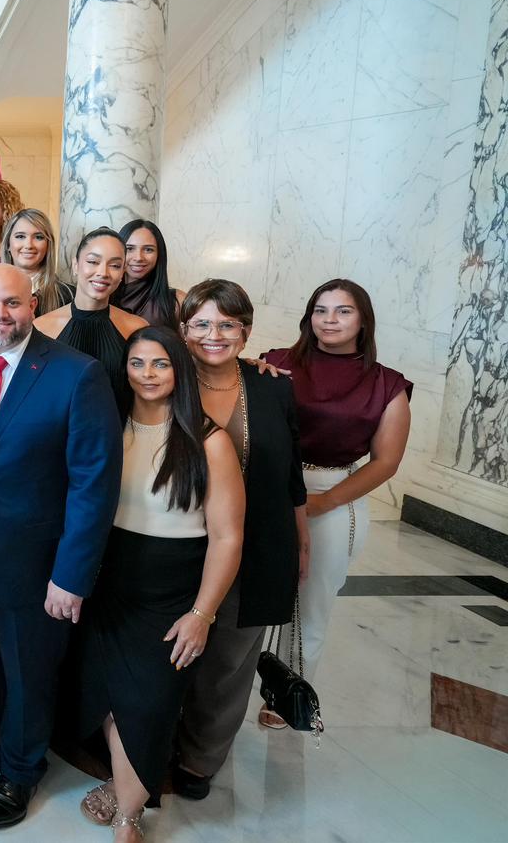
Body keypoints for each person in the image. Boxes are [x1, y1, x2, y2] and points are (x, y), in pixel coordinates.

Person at [0, 264, 121, 830]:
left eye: (11, 303)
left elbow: (94, 482)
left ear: (33, 304)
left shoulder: (76, 375)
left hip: (36, 561)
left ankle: (20, 768)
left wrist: (72, 575)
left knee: (28, 671)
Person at [76, 326, 244, 842]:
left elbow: (228, 538)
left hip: (172, 590)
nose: (147, 375)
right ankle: (122, 783)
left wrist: (201, 614)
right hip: (108, 581)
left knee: (148, 702)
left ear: (180, 370)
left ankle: (128, 812)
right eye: (137, 363)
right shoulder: (108, 425)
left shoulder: (208, 440)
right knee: (104, 696)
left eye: (160, 364)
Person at [170, 279, 307, 799]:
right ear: (183, 330)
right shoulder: (165, 377)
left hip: (254, 547)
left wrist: (300, 535)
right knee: (172, 652)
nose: (215, 335)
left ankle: (200, 761)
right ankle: (153, 744)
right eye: (202, 324)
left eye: (228, 325)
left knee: (228, 661)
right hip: (174, 547)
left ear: (246, 331)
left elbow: (290, 467)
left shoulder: (272, 386)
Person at [260, 280, 411, 694]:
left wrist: (321, 502)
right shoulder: (274, 362)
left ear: (363, 320)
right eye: (321, 310)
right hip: (267, 486)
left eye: (343, 311)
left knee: (310, 605)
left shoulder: (387, 385)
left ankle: (288, 693)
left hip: (332, 492)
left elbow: (386, 462)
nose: (330, 320)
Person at [35, 228, 149, 415]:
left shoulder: (136, 328)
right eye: (93, 262)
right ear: (76, 265)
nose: (103, 273)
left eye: (115, 265)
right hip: (57, 439)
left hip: (119, 436)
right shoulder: (41, 327)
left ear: (122, 273)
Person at [114, 219, 184, 329]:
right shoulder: (103, 295)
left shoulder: (177, 301)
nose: (138, 258)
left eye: (148, 250)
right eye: (130, 249)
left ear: (159, 254)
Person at [3, 208, 74, 315]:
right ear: (8, 244)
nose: (29, 245)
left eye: (38, 237)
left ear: (48, 245)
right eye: (20, 236)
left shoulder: (68, 295)